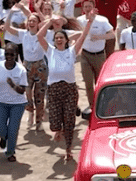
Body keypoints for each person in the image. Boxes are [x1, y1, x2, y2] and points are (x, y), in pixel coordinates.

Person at [38, 12, 96, 162]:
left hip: (69, 89)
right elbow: (39, 36)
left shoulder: (72, 51)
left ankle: (68, 149)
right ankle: (58, 130)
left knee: (69, 120)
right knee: (55, 122)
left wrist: (90, 22)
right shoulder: (50, 51)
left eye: (61, 38)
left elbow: (83, 36)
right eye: (56, 38)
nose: (58, 40)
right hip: (54, 90)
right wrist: (49, 21)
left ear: (66, 40)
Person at [0, 44, 29, 161]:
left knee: (13, 129)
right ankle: (4, 138)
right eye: (6, 54)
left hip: (17, 103)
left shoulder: (21, 70)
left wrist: (13, 85)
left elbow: (22, 91)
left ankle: (10, 152)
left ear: (16, 55)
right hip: (0, 101)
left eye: (12, 54)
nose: (9, 56)